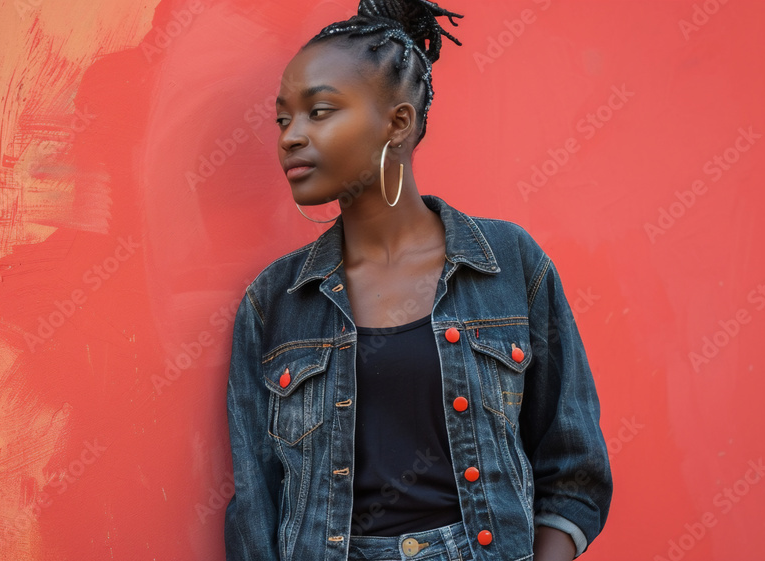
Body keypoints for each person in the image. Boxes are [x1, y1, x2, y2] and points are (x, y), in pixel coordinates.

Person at [223, 1, 612, 560]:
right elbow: (255, 507)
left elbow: (574, 466)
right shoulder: (274, 302)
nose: (290, 136)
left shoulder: (509, 263)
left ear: (397, 123)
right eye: (283, 119)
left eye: (320, 111)